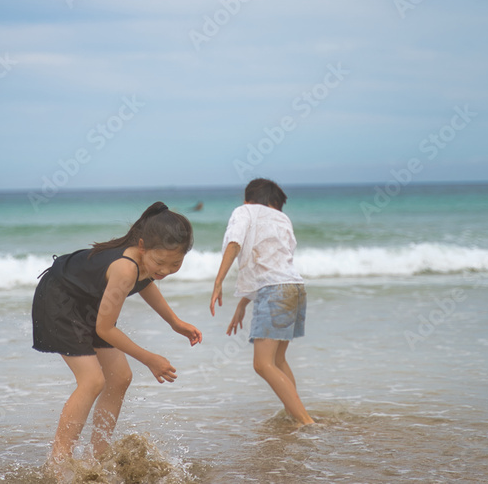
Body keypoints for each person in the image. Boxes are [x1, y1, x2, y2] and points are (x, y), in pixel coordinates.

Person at [32, 201, 202, 467]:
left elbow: (145, 281)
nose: (166, 271)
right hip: (61, 300)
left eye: (175, 264)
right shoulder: (125, 267)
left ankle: (97, 453)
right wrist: (149, 358)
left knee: (120, 377)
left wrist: (174, 322)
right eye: (160, 262)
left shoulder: (145, 262)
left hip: (89, 302)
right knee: (92, 380)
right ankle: (59, 461)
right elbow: (105, 328)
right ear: (143, 246)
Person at [210, 179, 314, 425]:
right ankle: (295, 414)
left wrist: (218, 282)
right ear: (274, 203)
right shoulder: (282, 219)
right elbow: (274, 265)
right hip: (295, 289)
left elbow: (234, 243)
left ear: (247, 200)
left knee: (262, 364)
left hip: (275, 292)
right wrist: (242, 305)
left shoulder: (243, 211)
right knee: (278, 361)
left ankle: (306, 421)